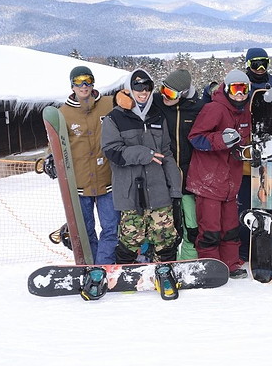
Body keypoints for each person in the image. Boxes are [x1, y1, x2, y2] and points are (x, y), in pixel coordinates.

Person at [101, 69, 181, 264]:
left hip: (159, 191)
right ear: (130, 89)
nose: (143, 92)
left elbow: (167, 153)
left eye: (147, 87)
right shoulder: (114, 118)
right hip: (130, 194)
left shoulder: (157, 116)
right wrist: (143, 154)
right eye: (138, 88)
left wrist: (175, 189)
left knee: (165, 238)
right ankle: (125, 277)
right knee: (130, 239)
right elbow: (111, 151)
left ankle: (164, 272)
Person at [187, 69, 252, 278]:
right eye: (235, 89)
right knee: (211, 228)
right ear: (227, 88)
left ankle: (231, 263)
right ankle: (211, 265)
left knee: (231, 227)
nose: (240, 94)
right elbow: (195, 137)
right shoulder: (214, 108)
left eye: (244, 89)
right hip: (209, 180)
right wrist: (221, 139)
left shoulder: (245, 111)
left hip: (231, 180)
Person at [58, 65, 119, 264]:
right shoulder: (63, 113)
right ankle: (91, 266)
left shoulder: (109, 104)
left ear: (93, 82)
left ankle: (104, 266)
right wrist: (52, 160)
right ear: (72, 86)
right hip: (80, 184)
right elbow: (55, 145)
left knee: (111, 228)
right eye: (78, 81)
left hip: (107, 180)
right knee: (86, 230)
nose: (84, 85)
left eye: (88, 80)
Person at [155, 69, 205, 261]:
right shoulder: (157, 103)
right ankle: (168, 263)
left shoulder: (197, 108)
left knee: (192, 226)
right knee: (167, 227)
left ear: (183, 93)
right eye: (163, 90)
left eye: (171, 93)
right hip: (164, 179)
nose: (165, 96)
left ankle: (188, 261)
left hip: (190, 179)